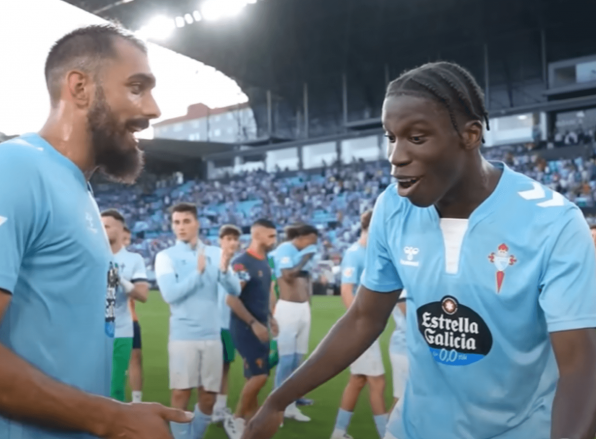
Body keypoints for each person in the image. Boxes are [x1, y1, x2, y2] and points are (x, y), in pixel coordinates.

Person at [243, 61, 596, 439]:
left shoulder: (553, 221)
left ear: (470, 135)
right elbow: (364, 317)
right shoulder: (392, 208)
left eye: (416, 137)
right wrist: (277, 401)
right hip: (413, 428)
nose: (395, 156)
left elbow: (581, 366)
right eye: (391, 137)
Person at [0, 24, 192, 439]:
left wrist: (108, 412)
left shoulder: (77, 189)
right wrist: (111, 419)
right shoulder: (13, 168)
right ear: (80, 88)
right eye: (136, 87)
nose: (153, 108)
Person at [155, 203, 241, 439]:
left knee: (208, 397)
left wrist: (224, 271)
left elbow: (235, 289)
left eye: (186, 221)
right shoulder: (166, 256)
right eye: (176, 222)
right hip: (183, 336)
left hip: (211, 336)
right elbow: (170, 294)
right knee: (181, 394)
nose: (181, 227)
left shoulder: (215, 253)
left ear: (197, 223)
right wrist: (198, 273)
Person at [331, 210, 388, 439]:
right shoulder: (355, 253)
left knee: (357, 380)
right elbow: (346, 290)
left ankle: (338, 432)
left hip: (366, 325)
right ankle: (386, 434)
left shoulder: (370, 252)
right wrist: (361, 322)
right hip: (363, 328)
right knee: (377, 382)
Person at [223, 219, 279, 439]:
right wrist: (254, 324)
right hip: (245, 328)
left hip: (260, 325)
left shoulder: (265, 261)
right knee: (260, 376)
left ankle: (251, 425)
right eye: (271, 236)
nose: (275, 240)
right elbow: (232, 299)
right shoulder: (242, 263)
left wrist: (270, 318)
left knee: (255, 376)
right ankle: (236, 419)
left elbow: (259, 297)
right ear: (257, 235)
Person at [271, 223, 319, 423]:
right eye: (311, 241)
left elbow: (306, 278)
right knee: (286, 360)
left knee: (298, 359)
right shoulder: (285, 249)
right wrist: (305, 258)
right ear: (303, 237)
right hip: (288, 309)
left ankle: (291, 404)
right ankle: (275, 407)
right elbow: (287, 276)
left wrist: (308, 299)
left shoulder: (299, 253)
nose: (313, 245)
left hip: (302, 309)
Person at [101, 209, 149, 402]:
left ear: (121, 230)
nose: (102, 230)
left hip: (120, 329)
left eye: (107, 226)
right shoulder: (90, 255)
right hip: (90, 330)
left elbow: (143, 295)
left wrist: (121, 280)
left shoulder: (133, 259)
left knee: (114, 387)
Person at [212, 224, 243, 423]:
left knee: (224, 367)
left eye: (235, 239)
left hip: (227, 324)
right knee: (210, 368)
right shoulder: (212, 261)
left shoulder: (234, 266)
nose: (232, 242)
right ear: (220, 241)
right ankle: (208, 408)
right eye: (228, 238)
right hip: (211, 325)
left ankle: (219, 408)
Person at [125, 225, 145, 403]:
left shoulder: (132, 262)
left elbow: (142, 294)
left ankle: (137, 401)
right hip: (104, 320)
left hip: (130, 318)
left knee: (135, 358)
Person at [388, 289, 408, 415]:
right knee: (400, 401)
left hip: (415, 348)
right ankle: (388, 433)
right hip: (404, 347)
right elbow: (412, 315)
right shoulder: (404, 285)